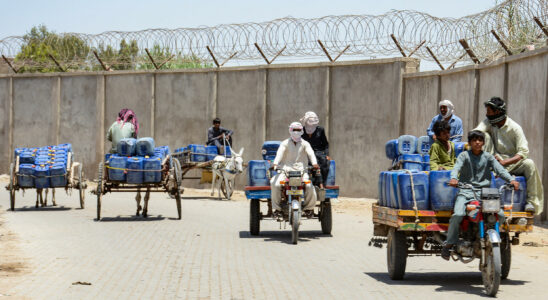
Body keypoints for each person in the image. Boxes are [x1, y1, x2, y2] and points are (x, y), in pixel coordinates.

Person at [442, 130, 519, 260]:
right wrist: (454, 178)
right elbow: (456, 168)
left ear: (483, 142)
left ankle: (492, 237)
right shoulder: (464, 156)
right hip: (466, 191)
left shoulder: (488, 157)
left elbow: (500, 170)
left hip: (486, 192)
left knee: (500, 214)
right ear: (470, 142)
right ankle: (449, 243)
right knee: (458, 214)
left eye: (480, 140)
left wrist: (511, 180)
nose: (477, 142)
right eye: (474, 140)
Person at [474, 97, 543, 214]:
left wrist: (506, 162)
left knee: (529, 164)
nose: (486, 114)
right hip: (494, 162)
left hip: (512, 163)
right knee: (482, 136)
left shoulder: (515, 128)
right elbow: (476, 132)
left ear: (497, 112)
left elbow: (523, 152)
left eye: (489, 111)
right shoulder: (490, 122)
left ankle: (531, 202)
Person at [271, 122, 319, 218]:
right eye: (294, 130)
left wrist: (314, 163)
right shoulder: (284, 143)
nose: (296, 132)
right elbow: (279, 154)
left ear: (302, 131)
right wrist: (275, 164)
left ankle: (309, 209)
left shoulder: (305, 143)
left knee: (309, 186)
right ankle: (277, 209)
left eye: (298, 130)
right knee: (275, 184)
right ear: (290, 130)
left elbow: (311, 154)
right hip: (285, 170)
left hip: (302, 171)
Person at [300, 111, 330, 188]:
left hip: (318, 152)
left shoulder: (320, 130)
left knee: (325, 164)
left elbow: (325, 144)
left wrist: (327, 154)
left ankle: (323, 185)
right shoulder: (301, 131)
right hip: (306, 152)